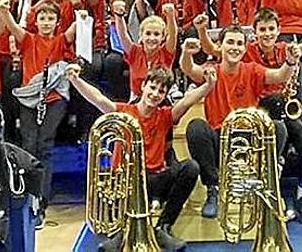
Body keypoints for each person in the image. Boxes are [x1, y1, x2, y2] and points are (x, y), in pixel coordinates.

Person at [65, 64, 213, 250]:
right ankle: (122, 232)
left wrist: (208, 85)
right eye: (152, 87)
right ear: (143, 86)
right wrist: (75, 79)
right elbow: (97, 98)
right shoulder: (124, 111)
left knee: (190, 168)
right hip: (125, 181)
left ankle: (163, 227)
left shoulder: (166, 115)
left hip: (154, 182)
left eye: (161, 91)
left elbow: (186, 101)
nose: (155, 94)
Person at [180, 33, 298, 219]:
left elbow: (279, 76)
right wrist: (186, 53)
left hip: (248, 139)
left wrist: (290, 61)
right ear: (220, 46)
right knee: (196, 127)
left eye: (239, 43)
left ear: (245, 48)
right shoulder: (212, 70)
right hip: (220, 139)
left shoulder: (252, 69)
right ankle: (214, 188)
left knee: (278, 127)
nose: (235, 47)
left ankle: (262, 182)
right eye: (230, 42)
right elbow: (189, 68)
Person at [0, 0, 77, 226]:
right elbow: (11, 26)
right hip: (29, 99)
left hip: (54, 99)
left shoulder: (62, 40)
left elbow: (78, 20)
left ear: (57, 22)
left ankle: (41, 200)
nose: (46, 22)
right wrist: (4, 10)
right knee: (29, 146)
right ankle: (28, 196)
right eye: (42, 18)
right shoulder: (28, 39)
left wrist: (80, 11)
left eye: (51, 18)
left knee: (45, 146)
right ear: (35, 21)